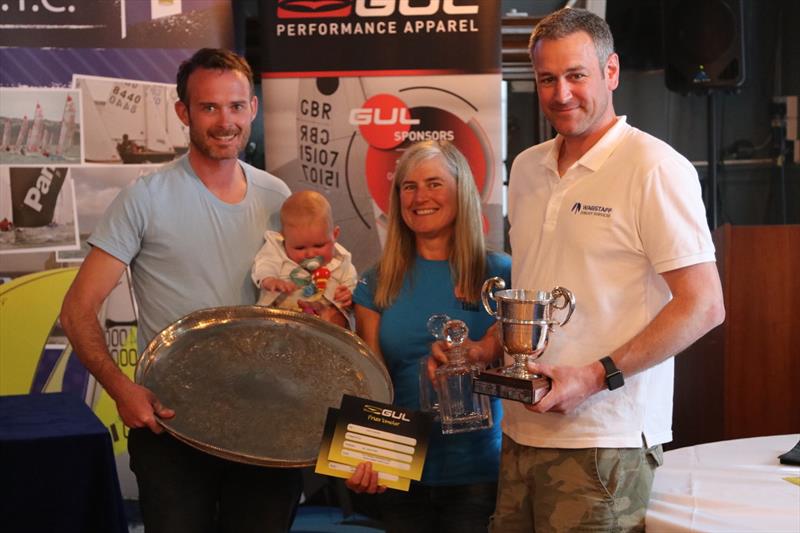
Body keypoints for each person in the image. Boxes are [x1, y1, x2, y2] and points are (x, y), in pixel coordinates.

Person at [429, 8, 725, 532]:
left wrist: (593, 377)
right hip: (521, 432)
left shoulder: (655, 168)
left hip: (603, 444)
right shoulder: (526, 168)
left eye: (576, 75)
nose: (560, 94)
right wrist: (482, 351)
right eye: (547, 79)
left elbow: (703, 305)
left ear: (611, 72)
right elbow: (536, 292)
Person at [60, 48, 302, 532]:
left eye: (235, 106)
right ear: (183, 113)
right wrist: (122, 389)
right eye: (208, 107)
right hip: (171, 425)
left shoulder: (281, 197)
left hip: (267, 423)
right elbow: (77, 311)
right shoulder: (144, 199)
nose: (224, 121)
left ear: (252, 109)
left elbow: (306, 301)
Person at [346, 140, 511, 533]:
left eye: (434, 183)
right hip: (399, 472)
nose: (420, 197)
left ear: (462, 192)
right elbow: (370, 377)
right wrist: (362, 456)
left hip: (478, 473)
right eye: (409, 186)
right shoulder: (376, 282)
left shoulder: (500, 275)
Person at [251, 190, 356, 328]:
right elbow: (265, 263)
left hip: (323, 327)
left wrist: (348, 295)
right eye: (300, 248)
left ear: (335, 235)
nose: (311, 254)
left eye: (319, 245)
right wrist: (269, 279)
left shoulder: (342, 261)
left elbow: (352, 286)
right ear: (284, 238)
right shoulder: (277, 250)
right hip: (279, 325)